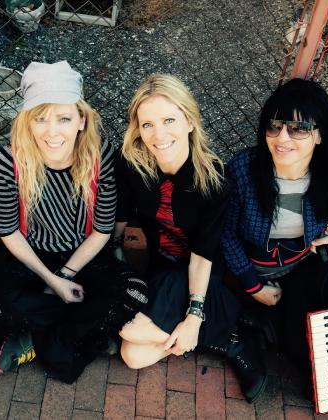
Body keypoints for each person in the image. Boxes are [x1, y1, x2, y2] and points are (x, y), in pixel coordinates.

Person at [0, 61, 148, 384]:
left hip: (84, 258)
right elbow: (8, 232)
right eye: (40, 117)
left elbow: (101, 231)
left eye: (63, 118)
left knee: (136, 292)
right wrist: (52, 282)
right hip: (31, 259)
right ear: (27, 121)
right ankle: (81, 335)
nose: (52, 132)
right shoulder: (9, 161)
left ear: (81, 120)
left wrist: (66, 275)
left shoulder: (100, 156)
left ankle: (37, 338)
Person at [115, 74, 267, 403]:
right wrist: (117, 266)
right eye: (148, 124)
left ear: (189, 121)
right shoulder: (131, 164)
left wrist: (194, 314)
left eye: (169, 120)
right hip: (159, 267)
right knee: (133, 355)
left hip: (200, 270)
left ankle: (226, 334)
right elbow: (123, 223)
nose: (159, 135)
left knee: (132, 335)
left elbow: (203, 253)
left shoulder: (214, 179)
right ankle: (223, 334)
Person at [221, 78, 328, 380]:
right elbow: (226, 234)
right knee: (293, 348)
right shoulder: (243, 169)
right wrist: (254, 286)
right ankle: (255, 322)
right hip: (252, 269)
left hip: (303, 263)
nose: (283, 138)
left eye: (298, 128)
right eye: (275, 126)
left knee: (317, 341)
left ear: (319, 135)